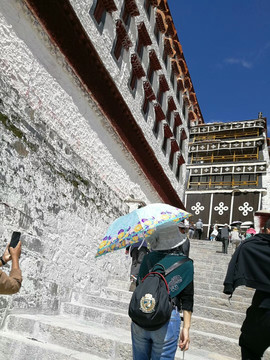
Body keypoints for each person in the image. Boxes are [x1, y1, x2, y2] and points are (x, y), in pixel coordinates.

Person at [131, 223, 194, 360]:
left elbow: (139, 284)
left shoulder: (147, 259)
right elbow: (187, 300)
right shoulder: (186, 264)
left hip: (142, 315)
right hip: (167, 317)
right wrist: (186, 329)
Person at [223, 218, 270, 360]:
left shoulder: (257, 245)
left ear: (267, 230)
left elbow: (244, 250)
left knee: (250, 348)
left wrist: (230, 284)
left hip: (265, 310)